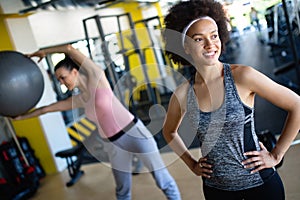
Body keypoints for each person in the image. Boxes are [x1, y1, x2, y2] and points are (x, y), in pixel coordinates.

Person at [162, 0, 300, 200]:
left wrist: (276, 154)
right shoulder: (183, 94)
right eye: (199, 39)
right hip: (216, 191)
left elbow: (297, 105)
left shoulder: (242, 76)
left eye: (214, 36)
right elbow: (169, 132)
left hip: (260, 186)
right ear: (186, 47)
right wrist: (192, 164)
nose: (211, 45)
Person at [14, 44, 181, 200]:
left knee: (162, 180)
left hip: (134, 133)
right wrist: (21, 117)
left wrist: (44, 51)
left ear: (74, 72)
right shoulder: (79, 100)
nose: (62, 83)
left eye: (63, 77)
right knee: (122, 189)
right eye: (59, 80)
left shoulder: (97, 79)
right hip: (113, 144)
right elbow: (47, 109)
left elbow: (69, 49)